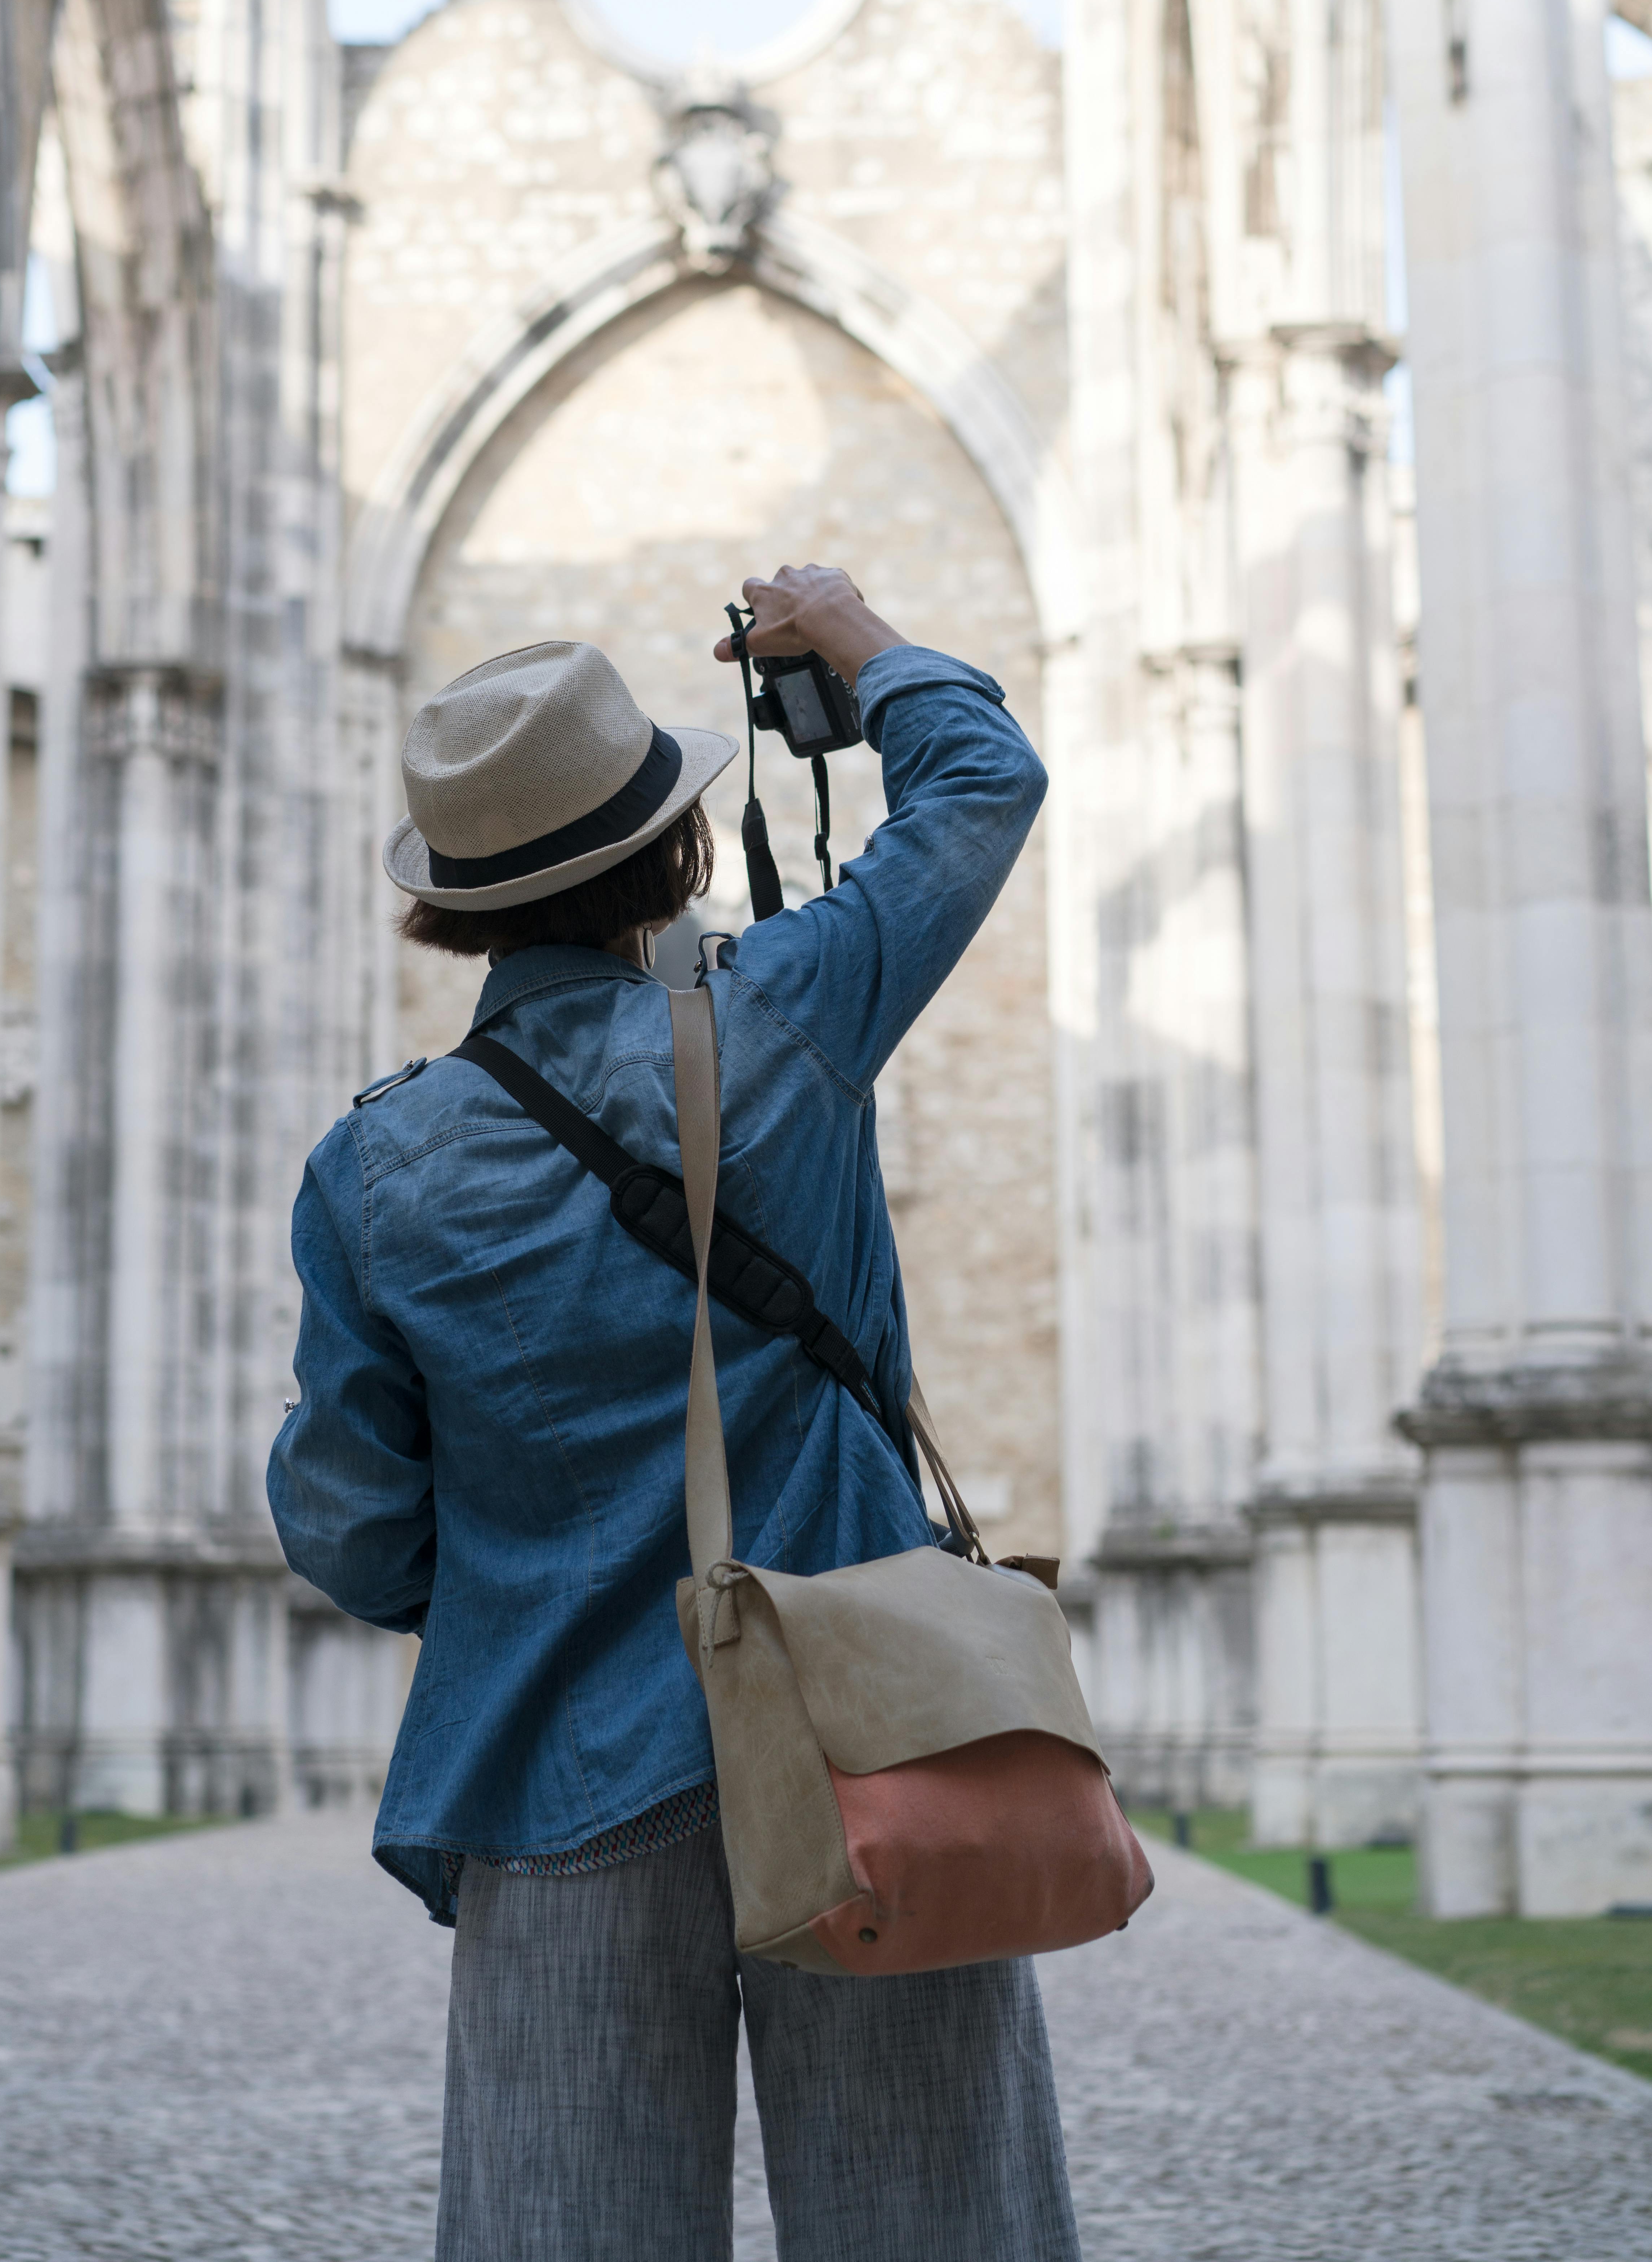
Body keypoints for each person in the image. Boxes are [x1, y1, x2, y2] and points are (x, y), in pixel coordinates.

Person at [268, 562, 1077, 2262]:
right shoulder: (790, 1011)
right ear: (687, 851)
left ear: (452, 910)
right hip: (872, 1733)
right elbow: (983, 785)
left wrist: (525, 1569)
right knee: (933, 2224)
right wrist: (857, 642)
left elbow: (346, 1518)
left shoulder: (375, 1166)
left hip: (557, 1756)